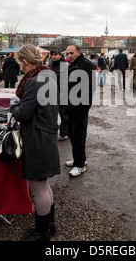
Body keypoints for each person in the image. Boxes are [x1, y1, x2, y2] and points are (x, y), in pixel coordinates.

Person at [12, 43, 60, 241]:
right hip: (46, 133)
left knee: (37, 187)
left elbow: (23, 114)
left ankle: (43, 233)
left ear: (25, 61)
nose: (20, 69)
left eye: (20, 64)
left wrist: (14, 105)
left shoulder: (33, 82)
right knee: (43, 184)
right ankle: (49, 225)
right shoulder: (48, 74)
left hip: (37, 136)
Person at [65, 45, 95, 177]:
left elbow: (88, 88)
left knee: (78, 135)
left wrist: (82, 105)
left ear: (78, 52)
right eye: (67, 54)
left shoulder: (86, 65)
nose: (69, 55)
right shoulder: (73, 64)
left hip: (80, 106)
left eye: (71, 53)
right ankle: (78, 158)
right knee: (72, 133)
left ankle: (80, 165)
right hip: (71, 105)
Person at [50, 49, 69, 141]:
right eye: (52, 55)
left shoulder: (64, 66)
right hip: (52, 93)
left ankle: (64, 133)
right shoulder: (51, 65)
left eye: (55, 54)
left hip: (62, 93)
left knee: (64, 114)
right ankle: (52, 132)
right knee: (51, 113)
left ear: (60, 56)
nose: (53, 56)